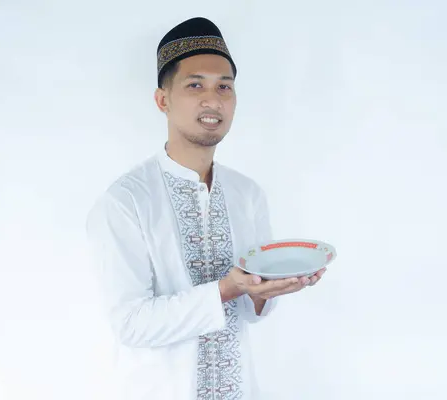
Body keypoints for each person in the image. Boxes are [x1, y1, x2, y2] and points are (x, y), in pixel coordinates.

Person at [85, 16, 327, 400]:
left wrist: (268, 291)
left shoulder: (247, 194)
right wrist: (226, 289)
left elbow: (248, 311)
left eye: (224, 87)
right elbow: (130, 323)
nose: (213, 100)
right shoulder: (127, 200)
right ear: (163, 100)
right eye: (195, 84)